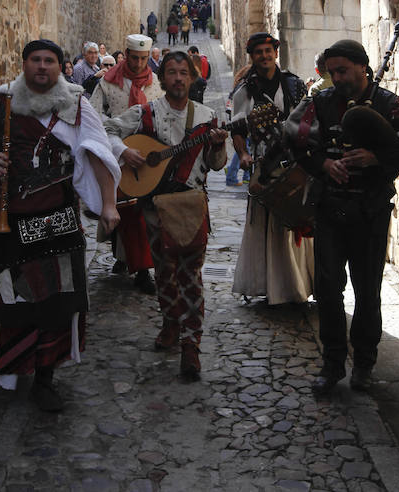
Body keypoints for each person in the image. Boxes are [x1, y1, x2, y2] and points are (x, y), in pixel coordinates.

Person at [0, 40, 120, 411]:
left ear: (61, 67)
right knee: (10, 301)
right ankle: (13, 366)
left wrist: (109, 205)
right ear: (24, 64)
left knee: (56, 305)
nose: (42, 67)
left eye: (49, 61)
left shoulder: (76, 105)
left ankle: (45, 378)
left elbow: (97, 152)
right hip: (7, 222)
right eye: (35, 60)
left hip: (56, 222)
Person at [284, 38, 399, 395]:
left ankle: (364, 363)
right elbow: (296, 142)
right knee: (328, 291)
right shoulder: (322, 102)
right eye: (332, 72)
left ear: (362, 66)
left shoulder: (389, 104)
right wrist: (324, 164)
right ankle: (332, 364)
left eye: (343, 70)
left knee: (367, 290)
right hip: (331, 208)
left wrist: (375, 158)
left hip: (370, 211)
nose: (337, 78)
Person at [104, 51, 227, 380]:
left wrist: (217, 146)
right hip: (155, 208)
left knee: (191, 277)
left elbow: (216, 165)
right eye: (171, 72)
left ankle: (191, 345)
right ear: (163, 78)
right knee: (164, 272)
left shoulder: (206, 116)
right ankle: (171, 322)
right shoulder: (145, 113)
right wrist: (125, 151)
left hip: (190, 206)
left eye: (183, 73)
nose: (177, 78)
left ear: (192, 78)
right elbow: (107, 128)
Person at [231, 32, 312, 305]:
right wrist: (242, 154)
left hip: (297, 161)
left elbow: (308, 120)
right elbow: (238, 129)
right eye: (258, 52)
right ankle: (275, 287)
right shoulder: (245, 91)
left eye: (268, 51)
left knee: (299, 218)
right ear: (252, 57)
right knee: (268, 223)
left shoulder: (294, 84)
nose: (264, 56)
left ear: (275, 53)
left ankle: (300, 284)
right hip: (265, 162)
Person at [90, 34, 161, 293]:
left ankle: (139, 265)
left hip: (146, 158)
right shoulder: (107, 84)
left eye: (144, 58)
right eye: (135, 58)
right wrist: (120, 149)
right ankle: (137, 266)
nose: (140, 63)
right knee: (126, 211)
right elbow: (94, 118)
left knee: (142, 214)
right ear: (126, 55)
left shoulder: (156, 84)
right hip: (116, 156)